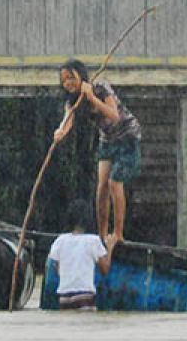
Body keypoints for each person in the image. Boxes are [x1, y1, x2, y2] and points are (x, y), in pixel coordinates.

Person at [52, 59, 142, 242]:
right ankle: (102, 234)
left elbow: (114, 116)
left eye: (71, 77)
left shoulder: (100, 88)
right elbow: (67, 121)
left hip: (127, 135)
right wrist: (60, 132)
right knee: (101, 186)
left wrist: (92, 98)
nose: (67, 83)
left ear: (80, 75)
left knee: (115, 182)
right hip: (107, 140)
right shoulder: (72, 101)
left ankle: (118, 233)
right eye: (64, 80)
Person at [47, 199, 117, 310]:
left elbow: (58, 271)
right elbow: (105, 270)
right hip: (85, 296)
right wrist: (110, 247)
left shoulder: (60, 240)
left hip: (64, 298)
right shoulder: (93, 241)